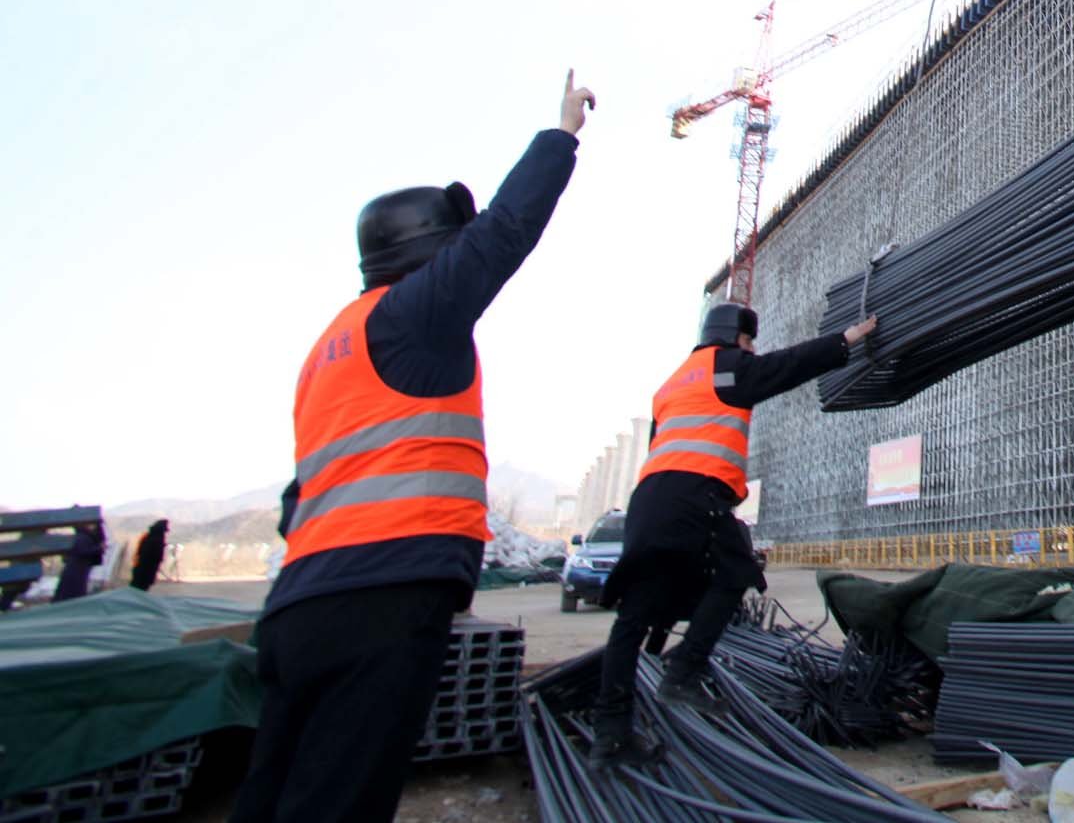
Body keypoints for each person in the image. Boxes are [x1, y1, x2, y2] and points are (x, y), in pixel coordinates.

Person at [229, 72, 596, 823]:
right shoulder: (412, 317)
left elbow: (301, 496)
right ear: (431, 251)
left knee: (272, 792)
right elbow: (504, 232)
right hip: (382, 600)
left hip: (298, 605)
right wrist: (561, 136)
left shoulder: (332, 347)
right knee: (339, 801)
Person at [590, 303, 878, 769]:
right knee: (736, 571)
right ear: (733, 337)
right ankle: (684, 670)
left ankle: (610, 735)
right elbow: (786, 366)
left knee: (634, 615)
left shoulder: (671, 384)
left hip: (648, 501)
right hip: (696, 492)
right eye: (748, 342)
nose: (752, 350)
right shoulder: (726, 368)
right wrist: (843, 341)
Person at [55, 522, 106, 601]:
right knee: (72, 593)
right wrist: (99, 548)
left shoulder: (85, 536)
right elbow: (82, 551)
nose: (93, 527)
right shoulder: (83, 536)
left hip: (79, 569)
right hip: (76, 569)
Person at [128, 519, 168, 591]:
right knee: (140, 588)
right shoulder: (158, 538)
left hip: (141, 568)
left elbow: (140, 551)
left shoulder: (147, 536)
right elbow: (156, 555)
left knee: (136, 587)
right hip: (147, 569)